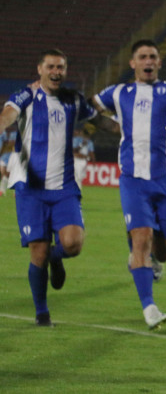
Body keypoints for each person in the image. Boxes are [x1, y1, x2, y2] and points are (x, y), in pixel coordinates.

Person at [94, 39, 166, 329]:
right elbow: (88, 110)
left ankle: (143, 256)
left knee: (163, 252)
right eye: (142, 57)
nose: (148, 61)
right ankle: (149, 307)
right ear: (133, 64)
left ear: (159, 63)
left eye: (153, 57)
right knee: (142, 239)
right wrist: (115, 127)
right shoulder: (118, 92)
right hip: (133, 178)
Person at [0, 49, 117, 326]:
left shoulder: (73, 100)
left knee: (73, 244)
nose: (56, 72)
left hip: (64, 186)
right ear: (40, 69)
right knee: (36, 252)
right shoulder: (25, 96)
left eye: (61, 67)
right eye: (51, 66)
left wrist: (135, 131)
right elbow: (7, 115)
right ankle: (42, 313)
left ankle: (57, 257)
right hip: (30, 187)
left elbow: (101, 122)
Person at [72, 125, 96, 191]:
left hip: (84, 161)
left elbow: (91, 152)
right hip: (76, 160)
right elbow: (74, 150)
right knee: (78, 177)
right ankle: (77, 190)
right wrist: (82, 144)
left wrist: (94, 162)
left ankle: (77, 189)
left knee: (81, 177)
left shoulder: (90, 142)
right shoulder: (76, 140)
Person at [0, 124, 17, 197]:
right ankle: (2, 190)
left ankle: (16, 191)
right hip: (4, 153)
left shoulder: (16, 132)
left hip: (13, 154)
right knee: (3, 170)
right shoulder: (3, 131)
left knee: (14, 172)